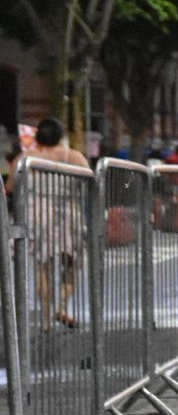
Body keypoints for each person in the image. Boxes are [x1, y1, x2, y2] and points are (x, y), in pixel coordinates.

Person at [25, 117, 90, 329]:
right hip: (68, 214)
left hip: (38, 215)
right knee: (71, 265)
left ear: (37, 137)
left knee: (42, 268)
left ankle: (45, 320)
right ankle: (60, 306)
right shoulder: (74, 157)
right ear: (62, 136)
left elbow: (10, 186)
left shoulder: (27, 159)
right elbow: (91, 182)